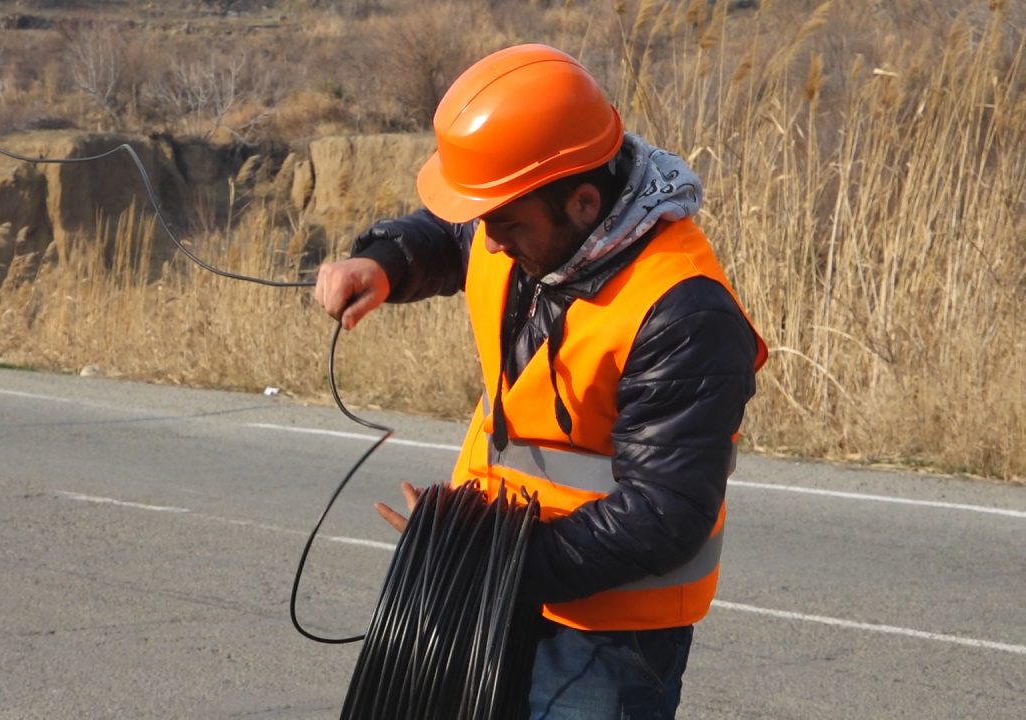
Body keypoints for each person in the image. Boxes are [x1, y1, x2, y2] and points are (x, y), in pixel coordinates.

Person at [314, 44, 767, 719]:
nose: (489, 243)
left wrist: (480, 565)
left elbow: (665, 514)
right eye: (485, 219)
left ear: (583, 204)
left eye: (504, 224)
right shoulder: (525, 222)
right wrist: (384, 263)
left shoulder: (683, 312)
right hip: (506, 591)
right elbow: (450, 233)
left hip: (610, 637)